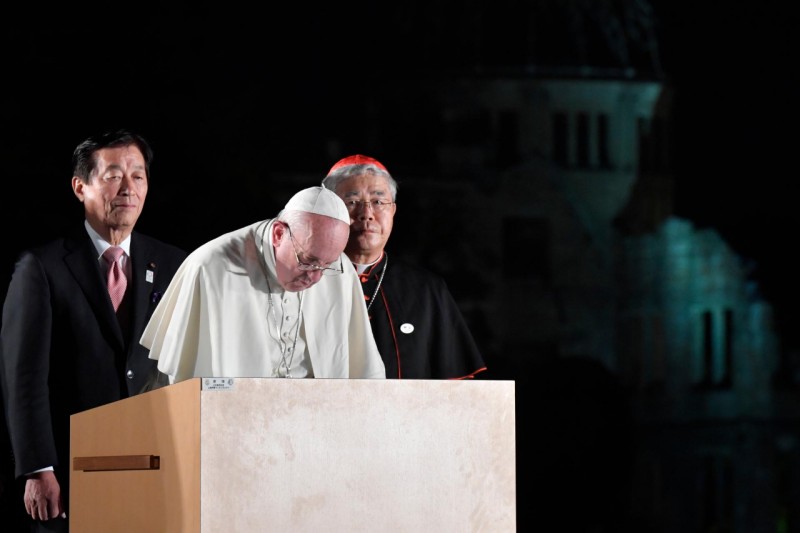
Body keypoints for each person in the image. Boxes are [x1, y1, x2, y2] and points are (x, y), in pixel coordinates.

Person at [0, 129, 187, 531]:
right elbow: (25, 377)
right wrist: (38, 467)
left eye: (138, 176)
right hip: (73, 465)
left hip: (152, 460)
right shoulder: (43, 267)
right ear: (80, 187)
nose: (128, 188)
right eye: (113, 175)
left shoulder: (175, 265)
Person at [140, 186, 386, 382]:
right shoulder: (210, 267)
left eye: (327, 265)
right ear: (279, 234)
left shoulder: (340, 270)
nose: (315, 277)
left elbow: (365, 373)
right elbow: (183, 381)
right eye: (308, 261)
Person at [322, 155, 487, 379]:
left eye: (378, 202)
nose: (366, 214)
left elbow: (455, 384)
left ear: (393, 211)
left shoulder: (426, 290)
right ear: (328, 211)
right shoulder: (302, 283)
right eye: (351, 202)